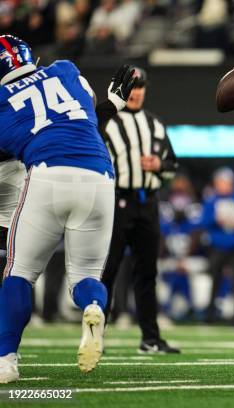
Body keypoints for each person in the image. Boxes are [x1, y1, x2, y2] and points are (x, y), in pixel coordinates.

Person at [0, 35, 136, 382]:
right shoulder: (64, 71)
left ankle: (5, 361)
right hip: (101, 175)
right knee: (86, 276)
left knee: (20, 273)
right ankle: (92, 307)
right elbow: (82, 117)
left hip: (47, 173)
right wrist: (114, 106)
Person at [101, 67, 180, 354]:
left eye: (140, 87)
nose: (135, 93)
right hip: (116, 201)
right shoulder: (107, 123)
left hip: (148, 202)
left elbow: (172, 165)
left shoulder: (155, 124)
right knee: (107, 271)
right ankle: (96, 335)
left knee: (147, 272)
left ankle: (150, 338)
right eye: (131, 87)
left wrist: (160, 166)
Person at [201, 167, 234, 325]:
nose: (224, 185)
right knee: (215, 282)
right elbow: (204, 222)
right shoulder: (212, 200)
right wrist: (217, 220)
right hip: (218, 246)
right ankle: (210, 315)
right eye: (221, 182)